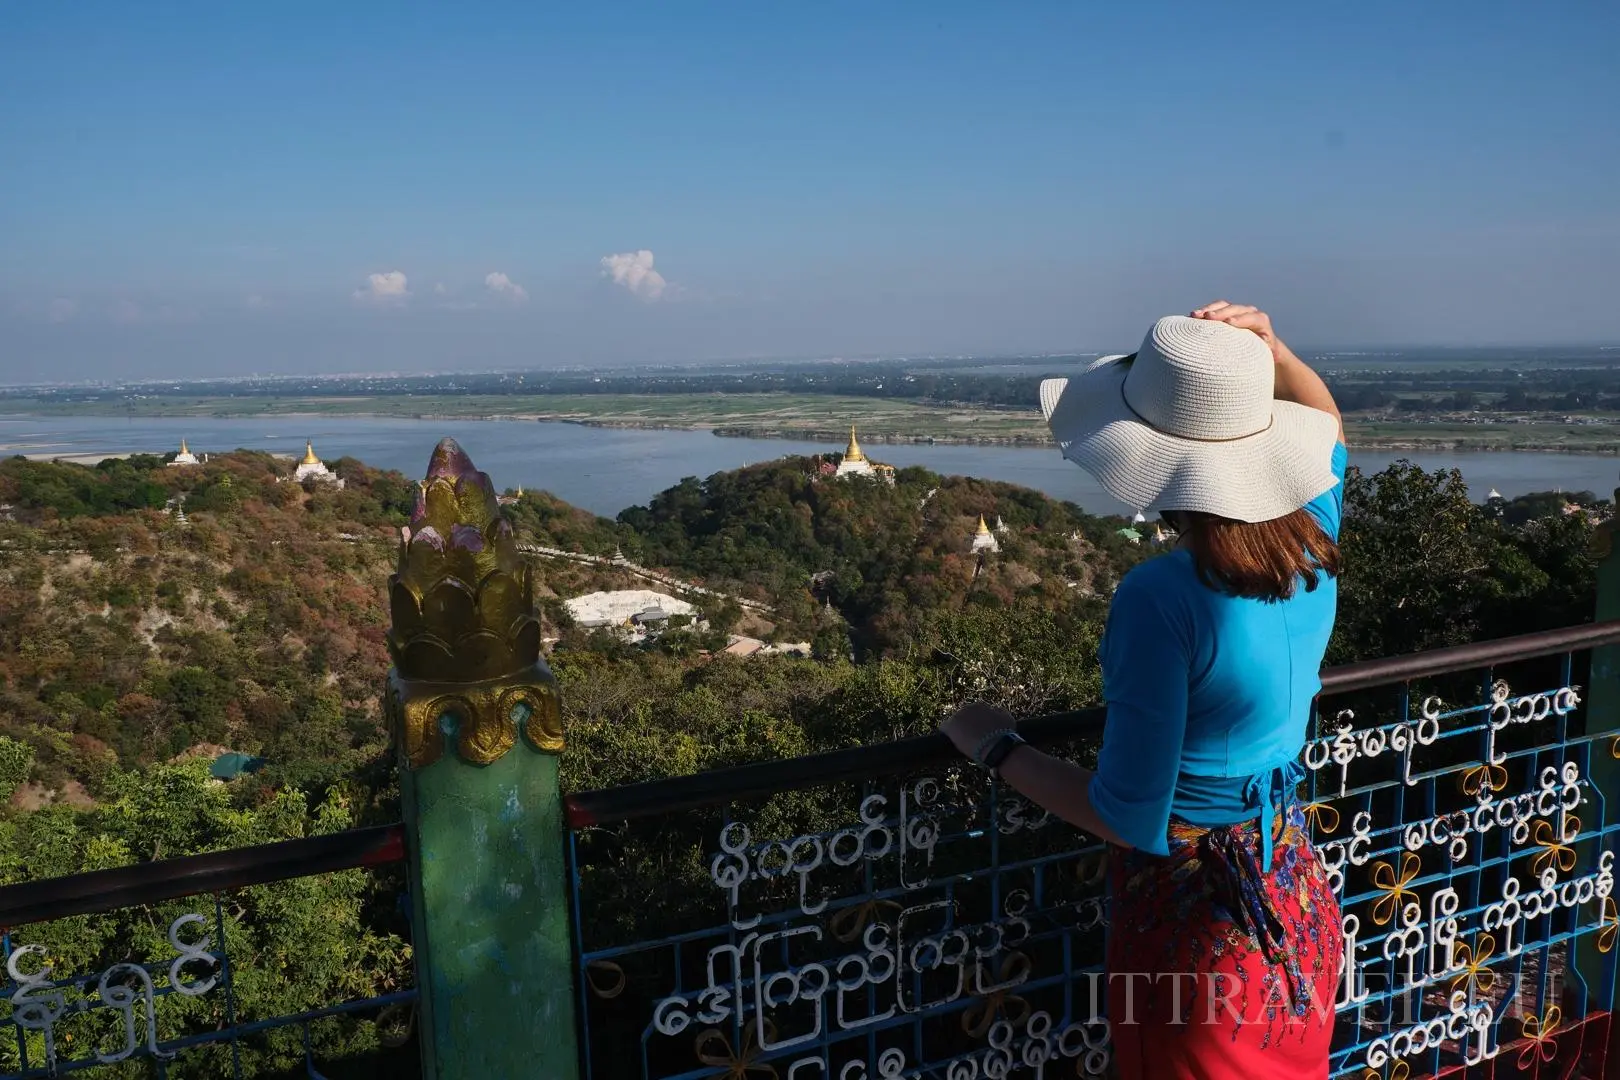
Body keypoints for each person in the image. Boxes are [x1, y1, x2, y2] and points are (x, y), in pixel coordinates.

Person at [940, 302, 1346, 1079]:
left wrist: (996, 744)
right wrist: (1274, 345)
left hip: (1200, 934)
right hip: (1291, 896)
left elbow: (1128, 816)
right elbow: (1325, 422)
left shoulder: (1162, 596)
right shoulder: (1313, 538)